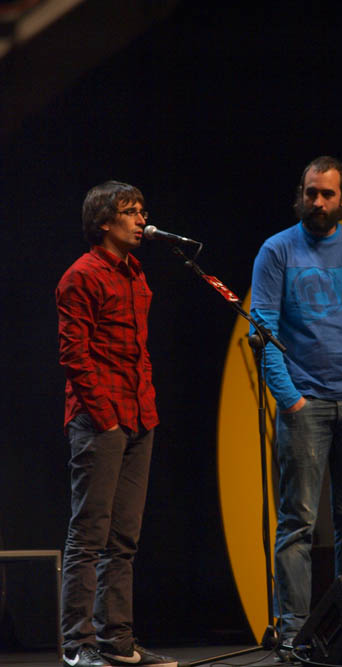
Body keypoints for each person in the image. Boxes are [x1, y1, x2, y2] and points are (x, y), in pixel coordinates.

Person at [250, 156, 342, 651]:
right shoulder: (277, 250)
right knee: (297, 524)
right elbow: (263, 330)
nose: (317, 202)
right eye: (311, 192)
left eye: (327, 194)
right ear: (301, 194)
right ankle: (294, 634)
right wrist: (290, 399)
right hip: (305, 406)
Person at [56, 181, 178, 667]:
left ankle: (117, 641)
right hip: (100, 420)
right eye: (130, 212)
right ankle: (78, 644)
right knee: (89, 535)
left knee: (124, 539)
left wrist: (146, 406)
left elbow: (138, 350)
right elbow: (74, 355)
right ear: (104, 222)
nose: (141, 220)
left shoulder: (136, 273)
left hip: (139, 416)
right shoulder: (81, 276)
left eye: (142, 211)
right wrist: (105, 417)